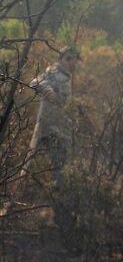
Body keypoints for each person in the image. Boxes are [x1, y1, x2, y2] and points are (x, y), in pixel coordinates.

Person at [28, 46, 82, 186]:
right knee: (57, 165)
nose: (72, 62)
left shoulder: (66, 77)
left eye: (74, 59)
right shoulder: (54, 73)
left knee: (60, 164)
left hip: (60, 128)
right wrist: (48, 90)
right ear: (61, 59)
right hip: (50, 127)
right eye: (69, 59)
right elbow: (35, 82)